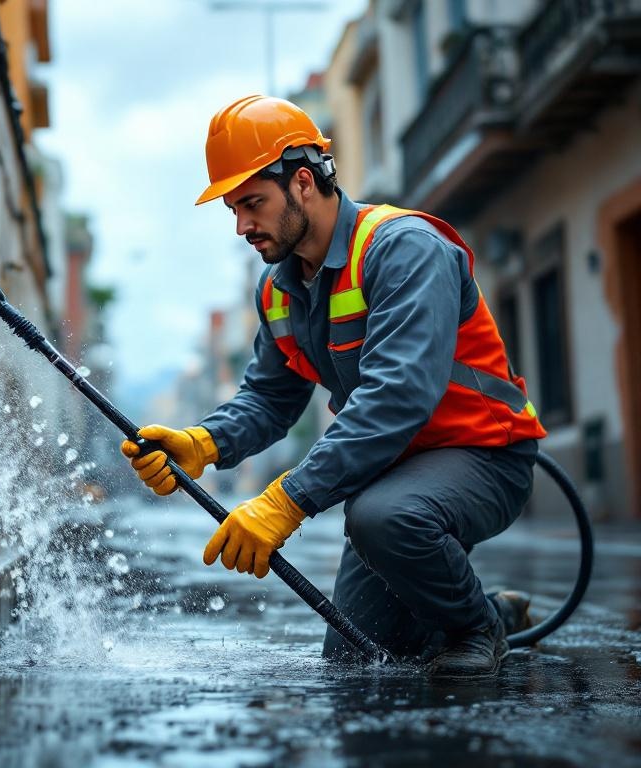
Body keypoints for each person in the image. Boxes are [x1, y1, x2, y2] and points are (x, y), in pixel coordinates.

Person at [121, 95, 545, 677]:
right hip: (392, 472)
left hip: (483, 455)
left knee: (381, 518)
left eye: (253, 203)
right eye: (233, 209)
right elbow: (271, 397)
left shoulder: (402, 248)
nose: (242, 226)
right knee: (355, 656)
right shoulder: (277, 291)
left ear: (302, 182)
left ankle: (477, 628)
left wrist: (286, 501)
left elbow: (397, 398)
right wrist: (204, 442)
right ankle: (487, 609)